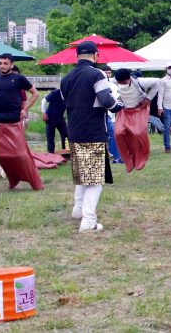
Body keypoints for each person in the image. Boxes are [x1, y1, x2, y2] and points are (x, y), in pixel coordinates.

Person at [60, 41, 123, 233]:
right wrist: (118, 107)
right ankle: (88, 220)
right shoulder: (97, 74)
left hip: (74, 129)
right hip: (93, 129)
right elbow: (105, 99)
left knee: (82, 174)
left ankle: (77, 209)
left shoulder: (66, 78)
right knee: (95, 179)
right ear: (96, 55)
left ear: (77, 56)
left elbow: (66, 101)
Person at [0, 53, 43, 190]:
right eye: (0, 63)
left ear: (11, 64)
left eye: (5, 63)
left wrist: (25, 109)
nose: (2, 66)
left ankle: (34, 182)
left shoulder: (19, 78)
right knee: (1, 156)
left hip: (15, 121)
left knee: (21, 155)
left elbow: (35, 93)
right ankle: (13, 179)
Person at [113, 68, 160, 173]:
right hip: (124, 111)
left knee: (138, 133)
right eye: (120, 83)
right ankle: (128, 162)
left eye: (124, 82)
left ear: (129, 78)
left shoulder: (140, 82)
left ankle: (141, 159)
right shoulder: (113, 82)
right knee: (118, 133)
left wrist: (148, 98)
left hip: (139, 110)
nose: (122, 84)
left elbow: (158, 81)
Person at [101, 66, 123, 164]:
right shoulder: (97, 84)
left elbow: (118, 99)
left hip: (110, 114)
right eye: (105, 72)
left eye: (109, 73)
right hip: (99, 114)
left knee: (113, 134)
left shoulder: (113, 86)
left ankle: (116, 157)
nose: (107, 75)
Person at [41, 89, 68, 154]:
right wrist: (44, 113)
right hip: (50, 118)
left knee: (65, 135)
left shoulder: (69, 93)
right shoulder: (55, 93)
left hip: (60, 118)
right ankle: (51, 154)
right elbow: (43, 101)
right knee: (50, 138)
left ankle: (65, 152)